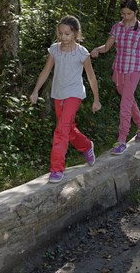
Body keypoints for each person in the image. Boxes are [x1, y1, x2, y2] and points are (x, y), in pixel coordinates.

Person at [30, 15, 101, 183]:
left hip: (74, 94)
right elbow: (46, 71)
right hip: (58, 93)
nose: (63, 37)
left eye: (67, 34)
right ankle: (86, 146)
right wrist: (35, 91)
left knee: (61, 130)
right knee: (68, 130)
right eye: (61, 33)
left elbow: (91, 77)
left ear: (76, 33)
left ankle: (56, 169)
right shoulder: (54, 49)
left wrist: (96, 99)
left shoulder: (82, 53)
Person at [90, 0, 140, 155]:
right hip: (118, 70)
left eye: (129, 14)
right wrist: (97, 49)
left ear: (136, 12)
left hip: (134, 69)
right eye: (123, 14)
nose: (125, 17)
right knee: (129, 100)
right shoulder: (116, 27)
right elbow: (107, 47)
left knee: (125, 103)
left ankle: (122, 139)